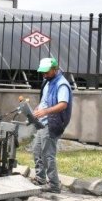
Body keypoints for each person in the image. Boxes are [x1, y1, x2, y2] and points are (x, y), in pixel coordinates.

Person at [30, 57, 72, 193]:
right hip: (43, 122)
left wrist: (45, 112)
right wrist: (37, 109)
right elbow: (45, 101)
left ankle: (54, 185)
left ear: (55, 70)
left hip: (53, 123)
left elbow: (63, 104)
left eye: (47, 72)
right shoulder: (47, 82)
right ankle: (40, 178)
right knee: (37, 151)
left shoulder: (62, 84)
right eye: (42, 72)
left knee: (48, 155)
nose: (44, 75)